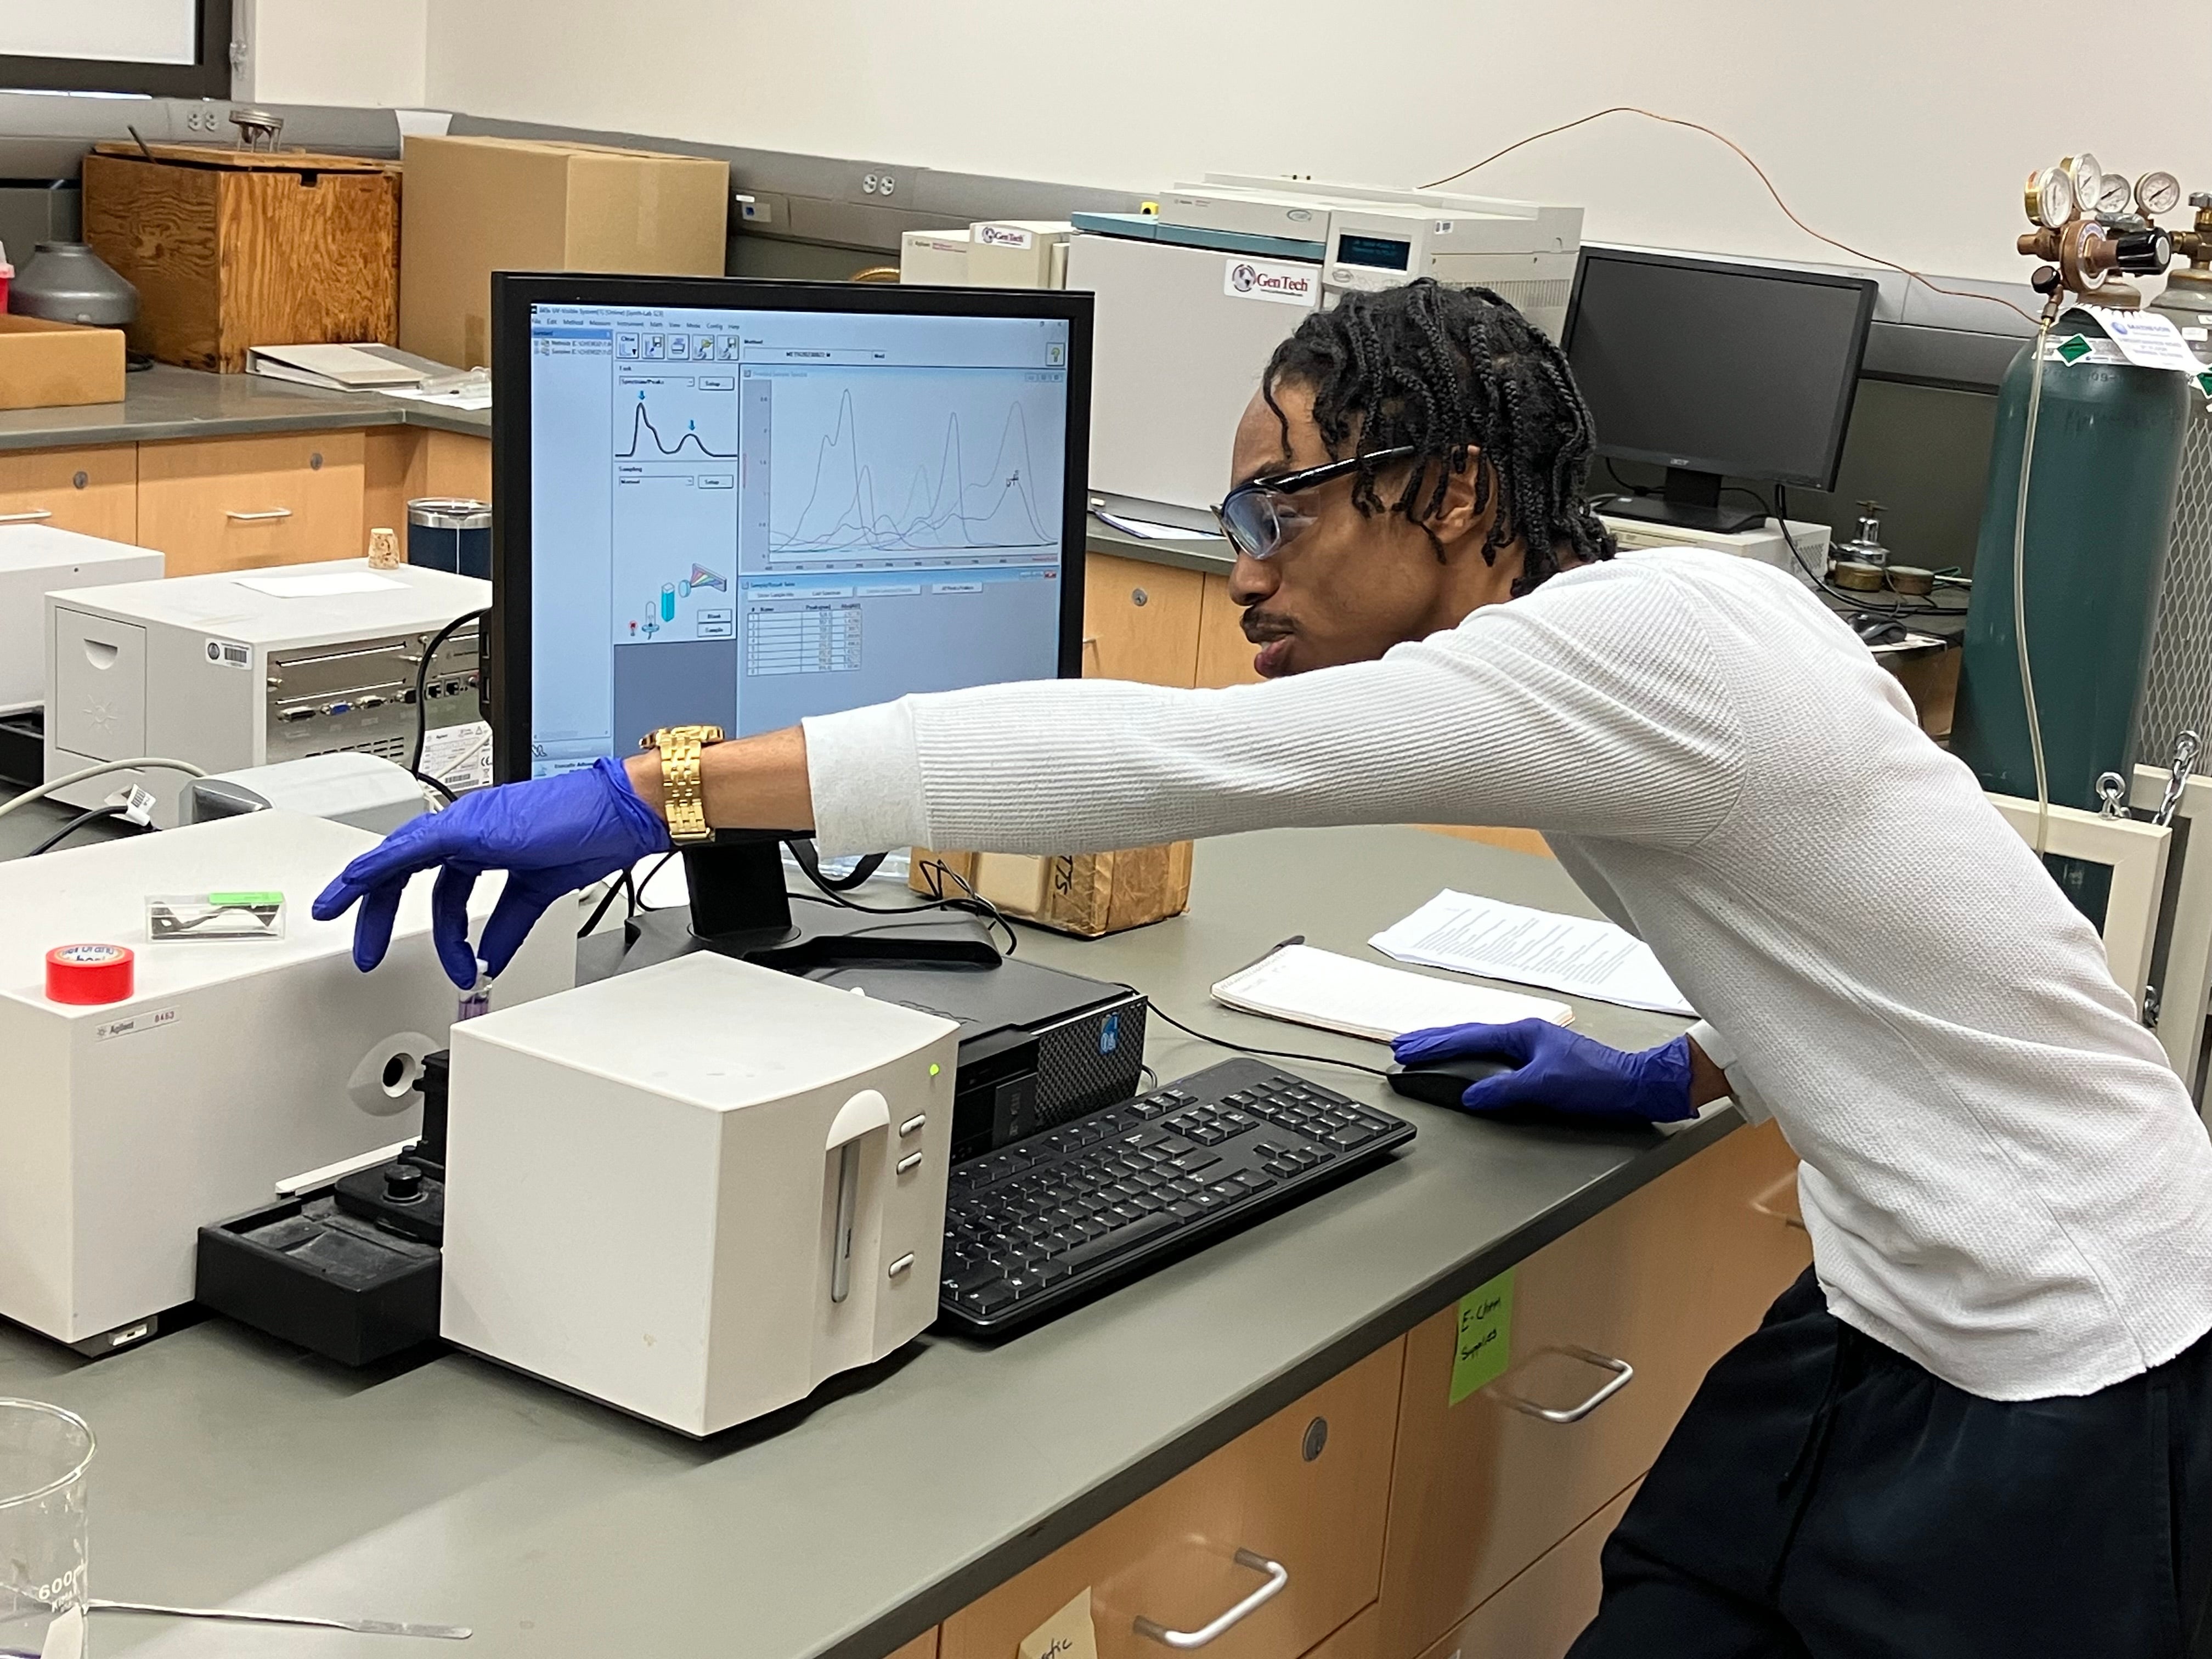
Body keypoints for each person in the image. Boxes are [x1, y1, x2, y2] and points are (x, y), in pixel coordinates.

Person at [315, 279, 2212, 1657]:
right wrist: (1688, 1068)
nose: (1241, 566)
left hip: (2068, 1357)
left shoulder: (1624, 656)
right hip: (1917, 1293)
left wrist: (663, 786)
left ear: (1456, 493)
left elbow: (1170, 762)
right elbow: (1883, 934)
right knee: (1678, 1598)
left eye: (1277, 510)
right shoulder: (1662, 634)